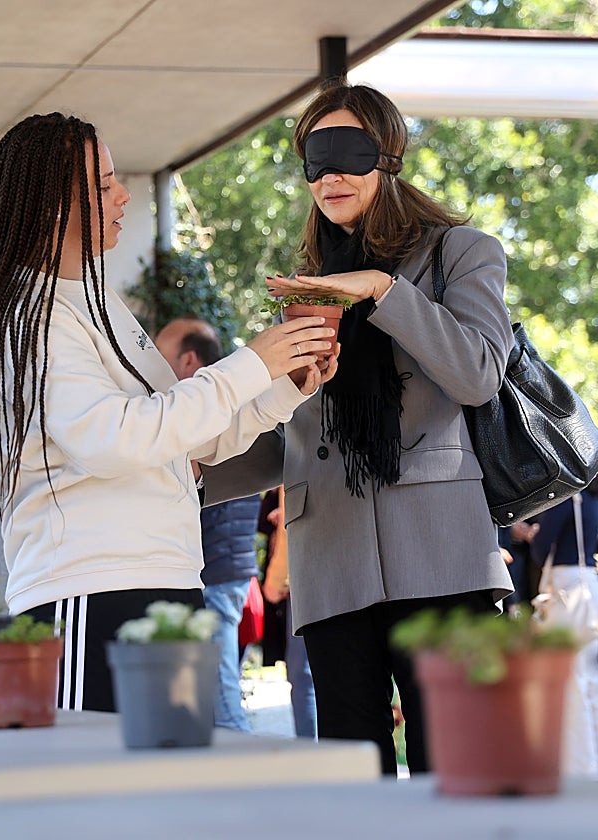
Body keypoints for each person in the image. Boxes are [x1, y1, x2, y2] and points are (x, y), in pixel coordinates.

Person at [0, 112, 338, 714]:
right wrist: (249, 363)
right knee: (96, 791)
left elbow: (185, 439)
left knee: (163, 791)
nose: (122, 194)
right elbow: (112, 440)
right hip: (89, 587)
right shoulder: (32, 314)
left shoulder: (98, 303)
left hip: (163, 578)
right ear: (53, 203)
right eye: (103, 184)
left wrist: (282, 385)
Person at [207, 81, 515, 776]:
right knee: (353, 774)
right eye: (315, 159)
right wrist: (184, 465)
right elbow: (291, 429)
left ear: (390, 155)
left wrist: (382, 290)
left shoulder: (460, 253)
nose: (330, 175)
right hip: (332, 555)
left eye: (348, 153)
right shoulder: (307, 285)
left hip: (441, 552)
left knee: (455, 769)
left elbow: (477, 373)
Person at [155, 316, 263, 732]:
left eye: (161, 355)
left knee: (220, 699)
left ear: (188, 360)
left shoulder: (203, 414)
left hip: (215, 571)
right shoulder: (226, 406)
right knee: (214, 691)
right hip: (225, 567)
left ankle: (241, 786)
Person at [530, 489, 598, 780]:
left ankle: (578, 767)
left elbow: (541, 548)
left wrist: (533, 534)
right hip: (591, 585)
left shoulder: (568, 496)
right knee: (590, 679)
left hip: (567, 589)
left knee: (569, 678)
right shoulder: (594, 495)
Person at [258, 486, 317, 738]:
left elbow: (287, 525)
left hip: (302, 580)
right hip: (328, 575)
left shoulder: (293, 453)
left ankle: (311, 753)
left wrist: (275, 579)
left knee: (303, 676)